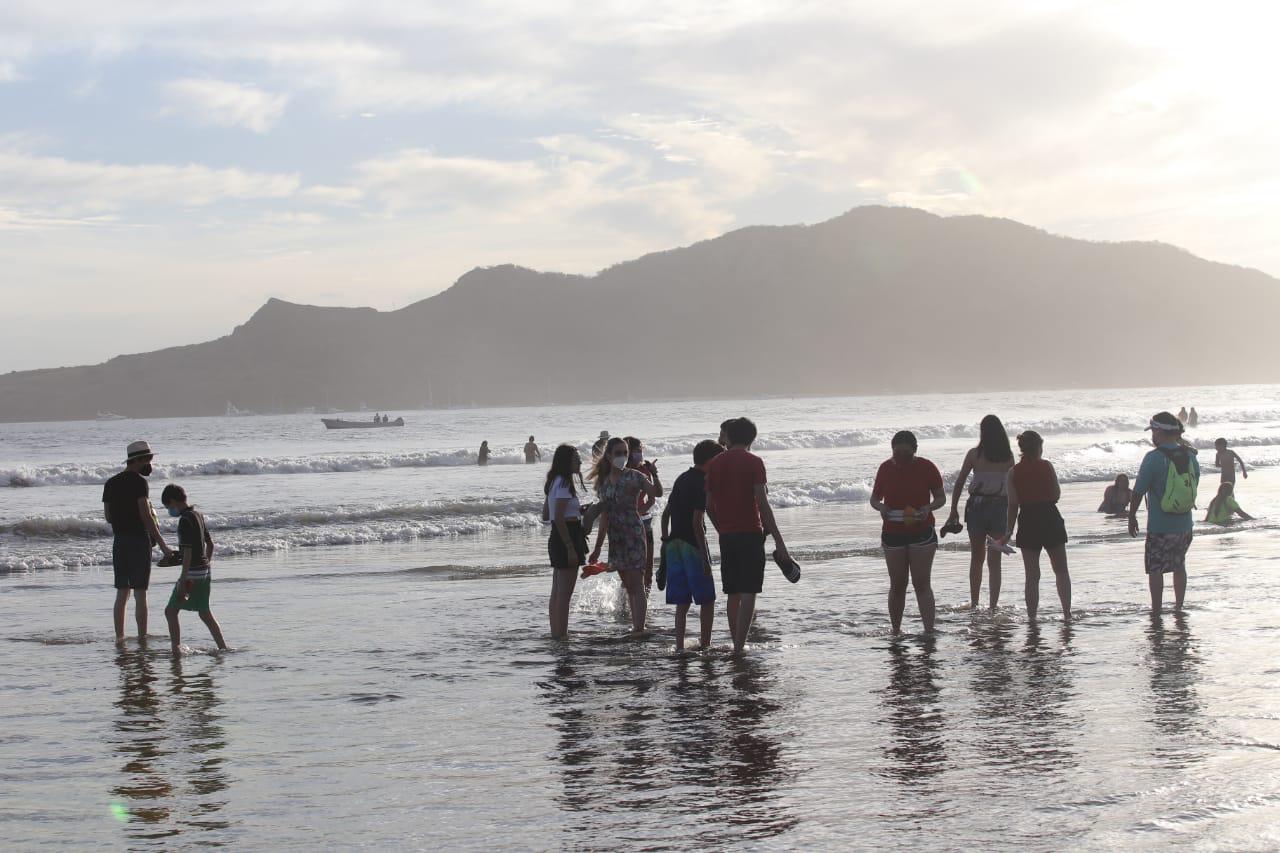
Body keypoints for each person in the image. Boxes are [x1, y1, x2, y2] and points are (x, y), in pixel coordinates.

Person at [706, 417, 791, 655]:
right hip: (751, 533)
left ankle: (736, 642)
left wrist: (721, 527)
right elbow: (763, 504)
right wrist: (779, 541)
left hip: (727, 536)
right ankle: (740, 647)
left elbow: (709, 505)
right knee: (749, 590)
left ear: (729, 437)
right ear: (752, 438)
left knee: (732, 592)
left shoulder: (715, 463)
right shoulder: (754, 462)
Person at [870, 431, 945, 635]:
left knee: (921, 583)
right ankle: (896, 630)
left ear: (915, 451)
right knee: (897, 584)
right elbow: (874, 498)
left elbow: (940, 497)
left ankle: (929, 630)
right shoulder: (885, 468)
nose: (901, 457)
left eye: (906, 453)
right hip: (893, 530)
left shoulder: (927, 467)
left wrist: (928, 508)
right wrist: (881, 508)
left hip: (921, 529)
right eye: (897, 453)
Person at [1129, 412, 1201, 613]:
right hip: (1185, 525)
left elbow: (1138, 491)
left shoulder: (1153, 458)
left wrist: (1131, 515)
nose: (1152, 434)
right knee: (1179, 565)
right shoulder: (1190, 455)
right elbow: (1193, 484)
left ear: (1159, 431)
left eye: (1153, 430)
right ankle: (1178, 607)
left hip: (1160, 526)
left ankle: (1157, 610)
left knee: (1156, 569)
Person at [588, 437, 662, 633]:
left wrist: (654, 475)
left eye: (625, 453)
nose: (622, 457)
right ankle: (636, 626)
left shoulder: (635, 476)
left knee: (637, 583)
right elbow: (604, 516)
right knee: (628, 584)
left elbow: (656, 493)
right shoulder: (603, 483)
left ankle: (639, 628)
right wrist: (596, 548)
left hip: (634, 533)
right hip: (616, 536)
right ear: (609, 456)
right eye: (618, 453)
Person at [102, 441, 173, 644]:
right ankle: (142, 637)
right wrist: (162, 544)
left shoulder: (111, 483)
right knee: (140, 593)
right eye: (148, 459)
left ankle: (119, 637)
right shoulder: (139, 482)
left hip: (120, 541)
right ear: (139, 460)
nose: (150, 462)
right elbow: (146, 517)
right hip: (139, 541)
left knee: (122, 593)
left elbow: (108, 517)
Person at [945, 414, 1015, 611]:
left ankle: (975, 602)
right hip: (1000, 506)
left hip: (977, 506)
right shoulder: (1008, 457)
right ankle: (993, 605)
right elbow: (1014, 486)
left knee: (977, 557)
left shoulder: (974, 454)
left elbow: (959, 483)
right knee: (995, 559)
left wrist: (953, 509)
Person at [661, 440, 723, 651]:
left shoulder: (682, 478)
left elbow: (665, 514)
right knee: (707, 599)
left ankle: (679, 646)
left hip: (674, 544)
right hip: (692, 545)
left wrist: (665, 540)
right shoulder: (702, 482)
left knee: (682, 602)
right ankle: (705, 643)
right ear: (712, 460)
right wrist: (705, 558)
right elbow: (697, 522)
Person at [1003, 431, 1071, 622]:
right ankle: (1067, 613)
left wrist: (1008, 531)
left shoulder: (1013, 472)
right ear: (1039, 447)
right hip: (1050, 517)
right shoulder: (1047, 466)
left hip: (1028, 519)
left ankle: (1032, 617)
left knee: (1032, 575)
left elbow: (1013, 504)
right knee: (1061, 570)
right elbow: (1056, 494)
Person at [160, 484, 227, 654]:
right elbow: (209, 545)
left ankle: (176, 649)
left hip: (191, 573)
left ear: (173, 501)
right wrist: (206, 564)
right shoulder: (198, 515)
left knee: (170, 611)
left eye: (168, 507)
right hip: (205, 571)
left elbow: (188, 551)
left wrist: (183, 579)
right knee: (205, 612)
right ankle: (223, 647)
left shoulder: (184, 520)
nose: (169, 510)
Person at [545, 445, 589, 639]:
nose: (579, 462)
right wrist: (570, 547)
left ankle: (556, 633)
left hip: (557, 535)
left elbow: (547, 513)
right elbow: (558, 517)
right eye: (576, 459)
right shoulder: (564, 482)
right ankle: (561, 636)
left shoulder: (554, 481)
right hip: (566, 535)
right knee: (564, 594)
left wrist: (577, 511)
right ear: (566, 462)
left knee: (557, 591)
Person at [625, 436, 660, 589]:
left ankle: (645, 606)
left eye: (641, 450)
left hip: (645, 521)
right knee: (630, 570)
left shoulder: (645, 469)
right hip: (625, 524)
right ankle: (627, 605)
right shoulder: (619, 472)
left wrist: (638, 513)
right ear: (628, 452)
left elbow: (652, 500)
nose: (640, 453)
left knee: (648, 569)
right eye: (637, 450)